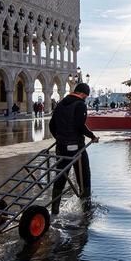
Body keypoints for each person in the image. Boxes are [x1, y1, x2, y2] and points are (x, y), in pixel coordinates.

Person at [49, 83, 99, 215]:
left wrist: (60, 138)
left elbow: (51, 125)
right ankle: (86, 209)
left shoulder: (60, 103)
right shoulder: (80, 104)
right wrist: (92, 136)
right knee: (84, 175)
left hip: (61, 147)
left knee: (60, 175)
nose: (85, 99)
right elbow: (80, 126)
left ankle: (55, 210)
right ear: (83, 94)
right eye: (86, 97)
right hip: (77, 147)